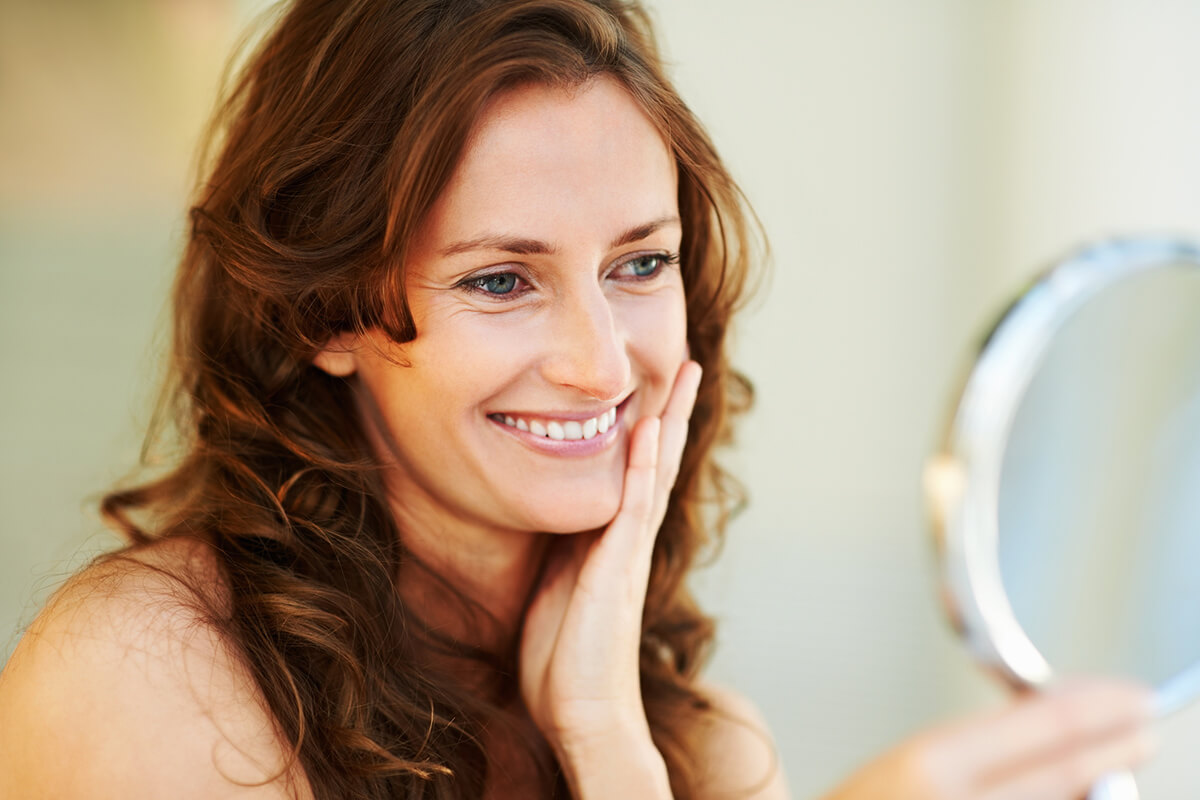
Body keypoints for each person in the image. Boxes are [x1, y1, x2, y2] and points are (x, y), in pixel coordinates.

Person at [0, 1, 1156, 798]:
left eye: (639, 265)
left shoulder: (700, 743)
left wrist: (607, 740)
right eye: (504, 280)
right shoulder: (147, 671)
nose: (603, 365)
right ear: (322, 311)